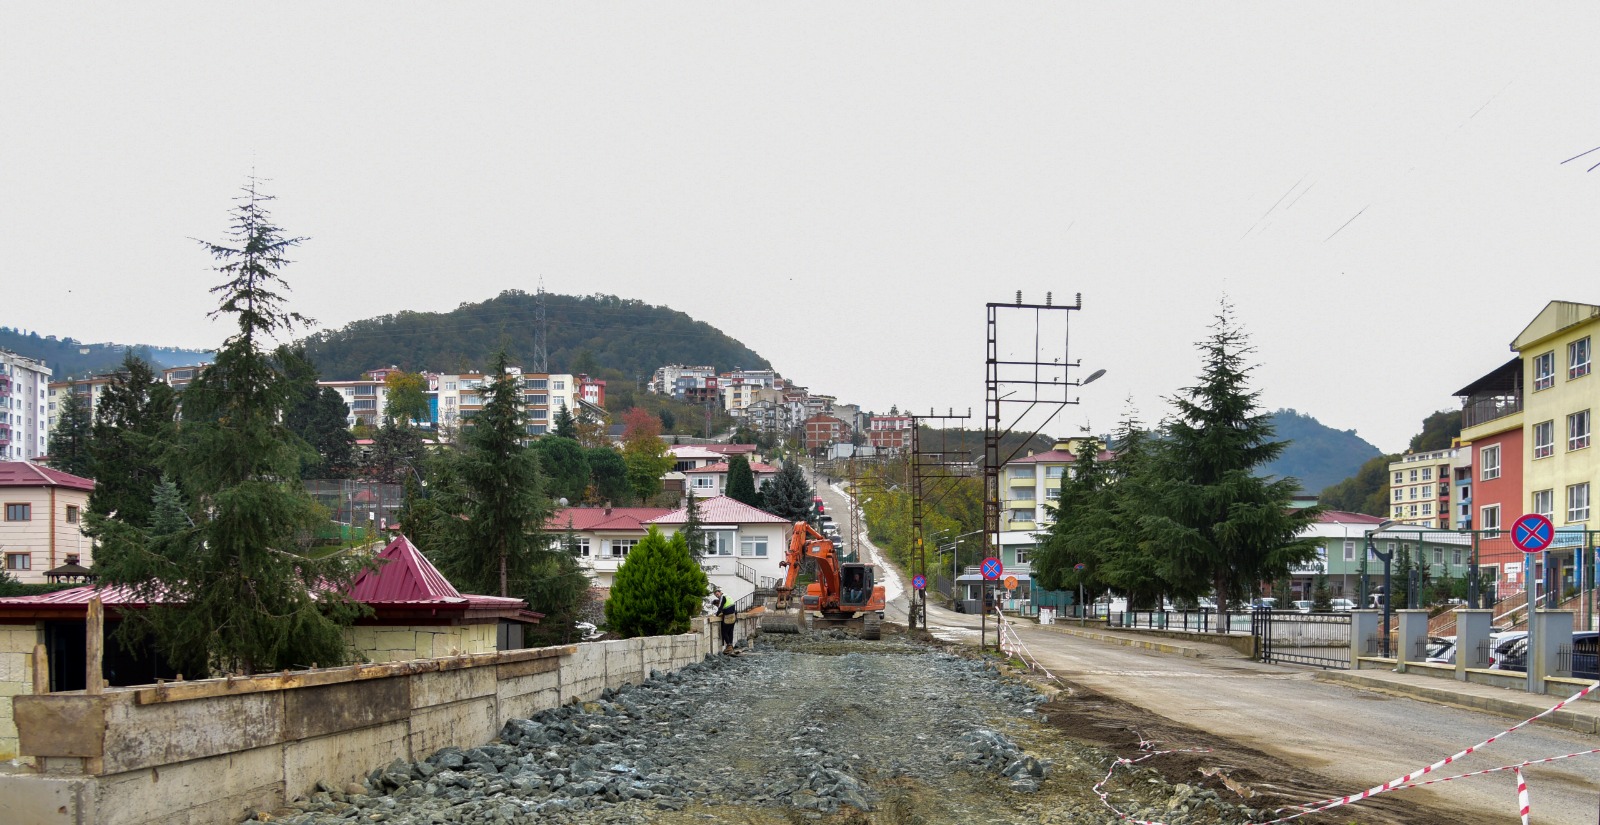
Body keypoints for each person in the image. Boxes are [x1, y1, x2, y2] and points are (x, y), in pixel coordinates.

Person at [713, 587, 737, 654]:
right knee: (730, 631)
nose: (717, 596)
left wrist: (716, 615)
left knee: (724, 632)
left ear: (720, 592)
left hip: (728, 617)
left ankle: (729, 646)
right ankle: (731, 645)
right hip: (733, 616)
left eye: (717, 594)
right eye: (716, 596)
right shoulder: (728, 596)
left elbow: (720, 607)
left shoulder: (722, 597)